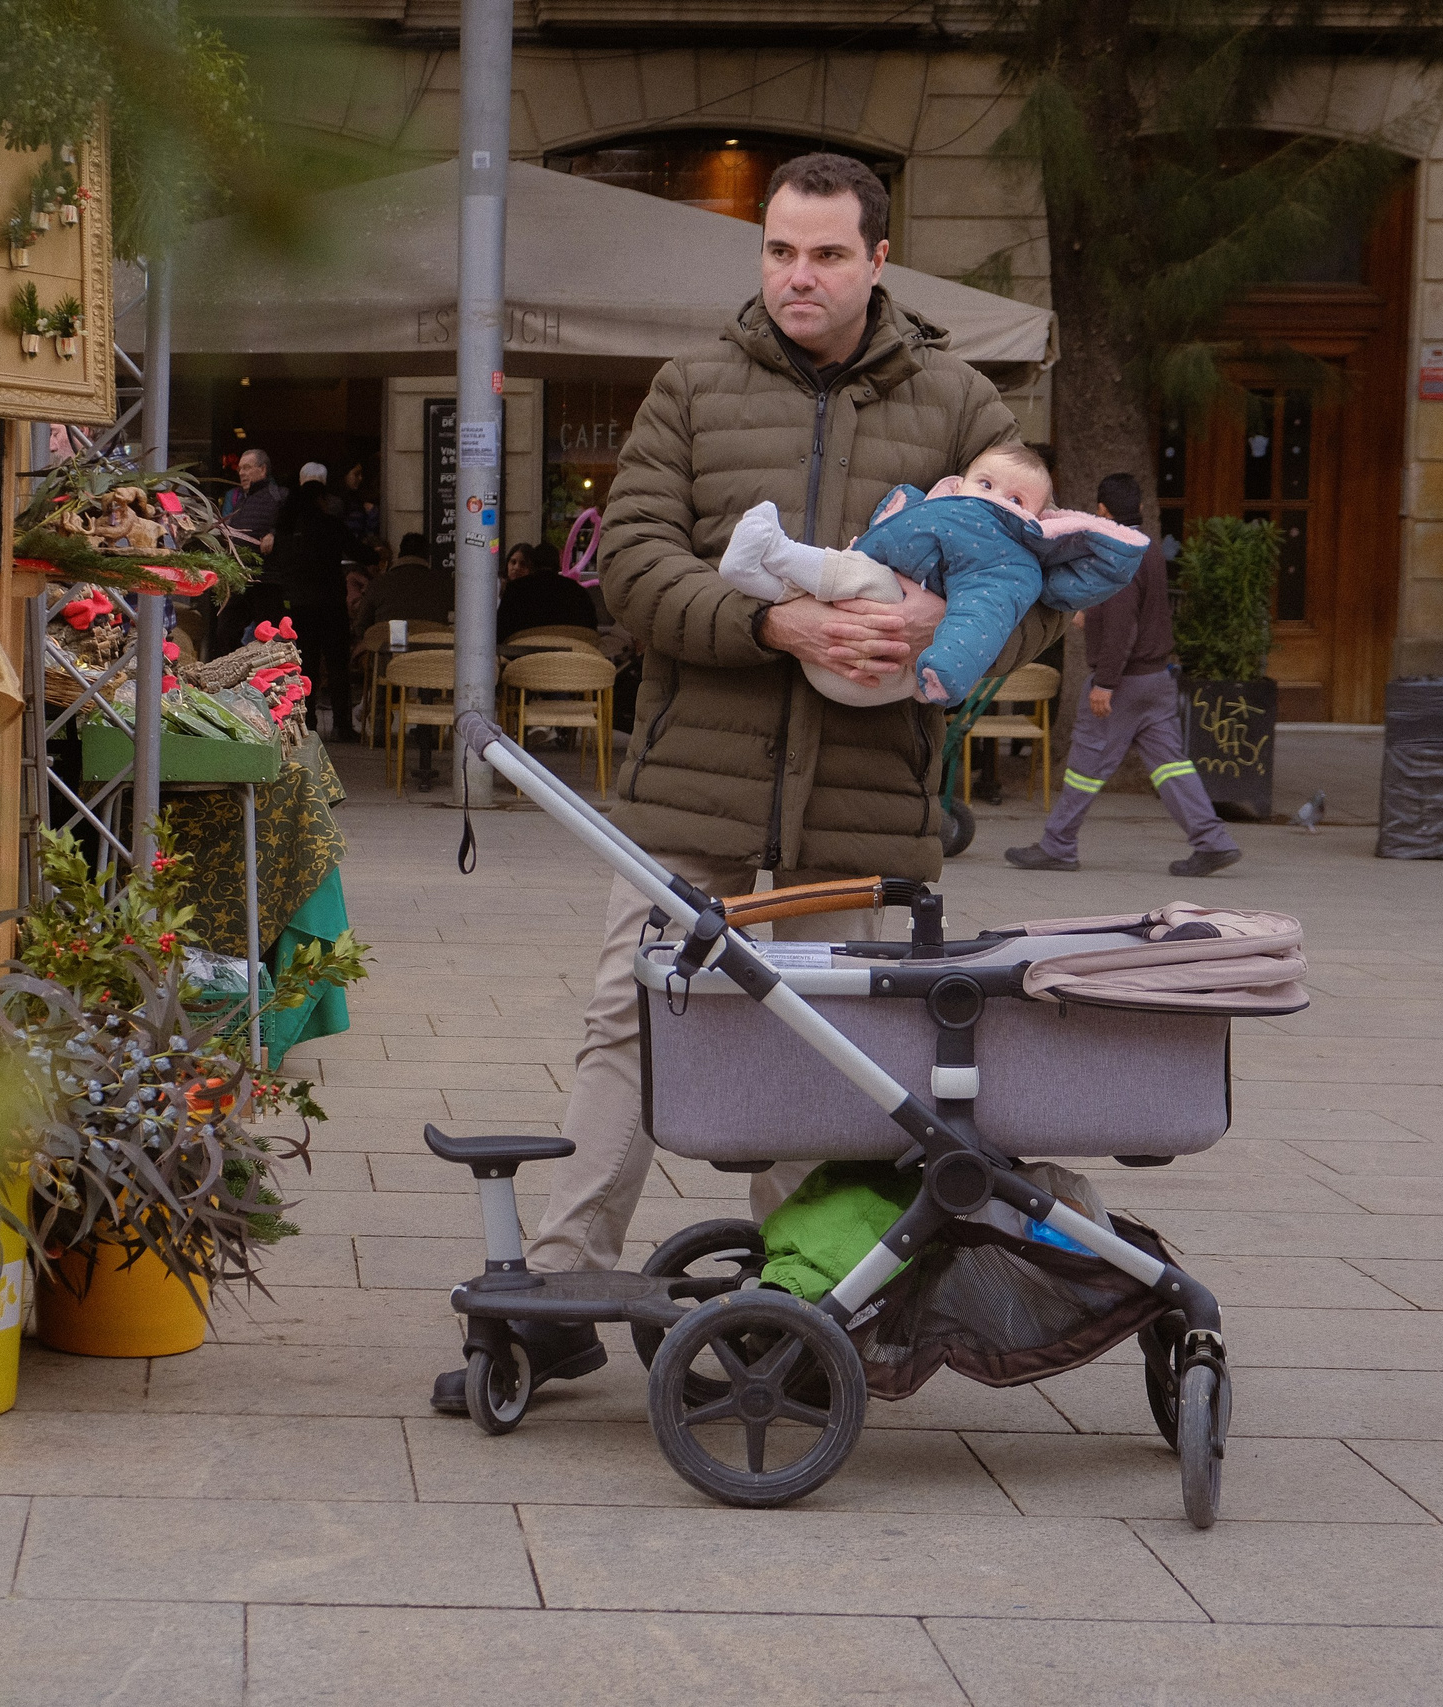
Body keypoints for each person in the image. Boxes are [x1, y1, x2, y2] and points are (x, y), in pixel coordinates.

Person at [430, 151, 1064, 1414]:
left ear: (880, 260)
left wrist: (938, 628)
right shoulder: (693, 385)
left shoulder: (957, 406)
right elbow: (633, 570)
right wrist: (778, 627)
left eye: (826, 254)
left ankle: (812, 1309)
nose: (798, 277)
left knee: (829, 1059)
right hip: (693, 785)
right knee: (629, 1017)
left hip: (864, 800)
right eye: (779, 251)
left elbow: (1040, 586)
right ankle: (561, 1294)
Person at [717, 441, 1146, 706]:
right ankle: (753, 577)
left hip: (878, 674)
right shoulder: (934, 509)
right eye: (985, 484)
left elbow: (981, 619)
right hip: (836, 661)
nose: (995, 499)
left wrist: (945, 665)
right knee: (837, 586)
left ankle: (777, 550)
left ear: (1038, 519)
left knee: (870, 577)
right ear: (958, 483)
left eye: (1016, 498)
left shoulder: (1011, 563)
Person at [1006, 474, 1242, 879]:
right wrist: (1090, 612)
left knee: (1085, 760)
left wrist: (1105, 682)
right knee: (1171, 763)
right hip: (1155, 679)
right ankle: (1213, 841)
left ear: (1101, 510)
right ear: (1142, 509)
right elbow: (1137, 608)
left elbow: (1122, 624)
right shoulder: (1148, 548)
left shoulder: (1118, 550)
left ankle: (1058, 845)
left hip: (1125, 681)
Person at [262, 477, 359, 736]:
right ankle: (342, 725)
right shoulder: (331, 525)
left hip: (298, 605)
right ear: (320, 500)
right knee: (338, 665)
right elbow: (360, 552)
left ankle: (307, 720)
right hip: (330, 604)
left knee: (306, 665)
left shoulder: (286, 529)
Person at [494, 542, 600, 641]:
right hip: (573, 651)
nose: (516, 568)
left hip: (523, 652)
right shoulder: (578, 591)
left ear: (532, 565)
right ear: (558, 565)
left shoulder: (515, 589)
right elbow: (591, 627)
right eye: (513, 562)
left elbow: (501, 630)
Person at [353, 531, 455, 633]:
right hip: (433, 646)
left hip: (385, 646)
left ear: (400, 553)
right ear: (427, 555)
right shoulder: (443, 583)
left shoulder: (378, 584)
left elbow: (360, 626)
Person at [219, 447, 283, 552]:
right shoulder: (241, 500)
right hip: (238, 565)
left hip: (268, 566)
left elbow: (293, 528)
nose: (241, 473)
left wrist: (273, 535)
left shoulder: (279, 496)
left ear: (262, 469)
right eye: (240, 469)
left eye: (247, 468)